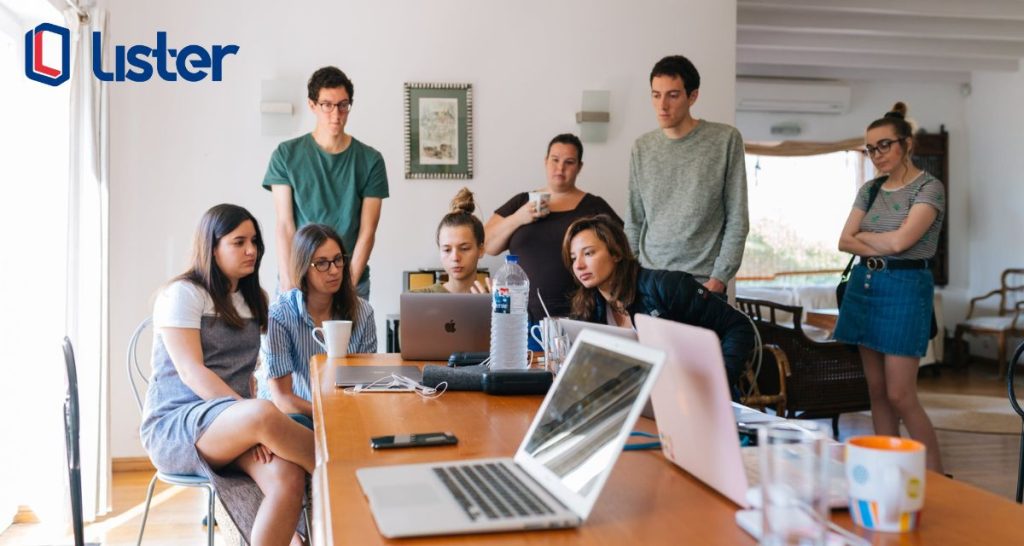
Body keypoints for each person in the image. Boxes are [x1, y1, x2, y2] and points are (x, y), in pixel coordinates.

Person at [141, 204, 312, 546]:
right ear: (212, 245)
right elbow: (192, 373)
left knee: (288, 477)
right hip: (178, 426)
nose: (252, 250)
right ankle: (346, 470)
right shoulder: (183, 294)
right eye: (239, 242)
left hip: (235, 425)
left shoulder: (254, 299)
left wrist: (250, 421)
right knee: (266, 412)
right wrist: (250, 418)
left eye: (254, 241)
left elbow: (247, 375)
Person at [834, 102, 945, 472]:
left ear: (906, 144)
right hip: (865, 286)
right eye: (870, 148)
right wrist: (880, 239)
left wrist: (868, 236)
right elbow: (844, 241)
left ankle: (936, 478)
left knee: (901, 394)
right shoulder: (870, 189)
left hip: (905, 289)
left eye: (884, 145)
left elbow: (902, 244)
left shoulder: (930, 187)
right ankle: (887, 471)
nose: (876, 155)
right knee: (877, 393)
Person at [562, 215, 755, 398]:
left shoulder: (667, 286)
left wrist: (716, 383)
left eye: (588, 253)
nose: (578, 265)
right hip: (643, 402)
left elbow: (739, 326)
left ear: (616, 253)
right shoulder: (589, 307)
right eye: (573, 258)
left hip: (696, 400)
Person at [626, 55, 749, 294]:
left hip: (702, 284)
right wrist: (631, 275)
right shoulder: (642, 147)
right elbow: (634, 221)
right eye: (656, 95)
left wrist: (719, 278)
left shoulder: (724, 140)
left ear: (693, 96)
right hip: (649, 280)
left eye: (673, 95)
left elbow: (737, 218)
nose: (662, 106)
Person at [263, 66, 389, 299]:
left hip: (350, 279)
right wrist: (290, 283)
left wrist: (348, 287)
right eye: (327, 105)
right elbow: (284, 225)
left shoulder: (371, 160)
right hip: (300, 278)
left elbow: (367, 231)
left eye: (343, 105)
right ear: (312, 105)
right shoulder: (286, 155)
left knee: (350, 337)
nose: (336, 114)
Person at [485, 133, 621, 328]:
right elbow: (487, 245)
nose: (560, 168)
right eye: (555, 160)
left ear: (579, 167)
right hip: (522, 317)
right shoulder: (522, 201)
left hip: (582, 316)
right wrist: (519, 218)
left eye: (569, 162)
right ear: (545, 161)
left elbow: (622, 250)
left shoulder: (594, 206)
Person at [258, 224, 377, 428]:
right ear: (303, 267)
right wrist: (329, 412)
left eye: (338, 260)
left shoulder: (363, 312)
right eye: (321, 263)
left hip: (346, 413)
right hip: (295, 417)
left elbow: (366, 384)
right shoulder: (279, 315)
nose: (334, 270)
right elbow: (283, 399)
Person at [413, 188, 491, 294]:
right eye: (447, 250)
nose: (455, 258)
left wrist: (491, 308)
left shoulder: (494, 299)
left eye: (464, 248)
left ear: (481, 250)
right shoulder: (418, 298)